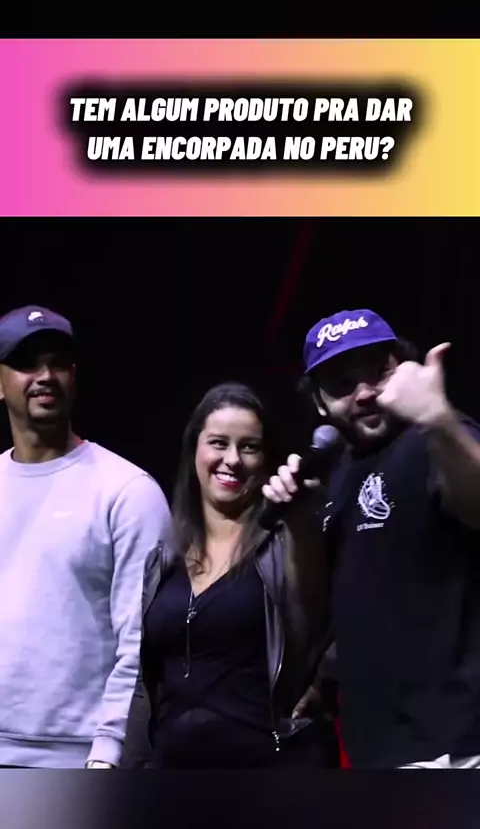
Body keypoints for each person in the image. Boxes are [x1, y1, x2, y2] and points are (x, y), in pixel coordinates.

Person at [263, 308, 480, 769]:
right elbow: (321, 610)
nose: (364, 393)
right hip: (376, 749)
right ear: (319, 403)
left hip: (455, 747)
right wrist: (301, 523)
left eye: (378, 372)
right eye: (342, 383)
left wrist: (438, 418)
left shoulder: (435, 439)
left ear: (404, 368)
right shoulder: (338, 474)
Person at [122, 382, 337, 769]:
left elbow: (322, 618)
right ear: (195, 450)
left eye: (249, 447)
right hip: (172, 772)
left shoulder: (286, 543)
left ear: (266, 458)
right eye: (219, 443)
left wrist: (323, 683)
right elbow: (144, 682)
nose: (232, 460)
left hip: (266, 771)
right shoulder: (163, 558)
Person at [0, 305, 171, 769]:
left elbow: (142, 644)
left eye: (58, 362)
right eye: (26, 363)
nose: (45, 376)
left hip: (81, 756)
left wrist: (109, 752)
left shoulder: (128, 492)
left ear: (74, 377)